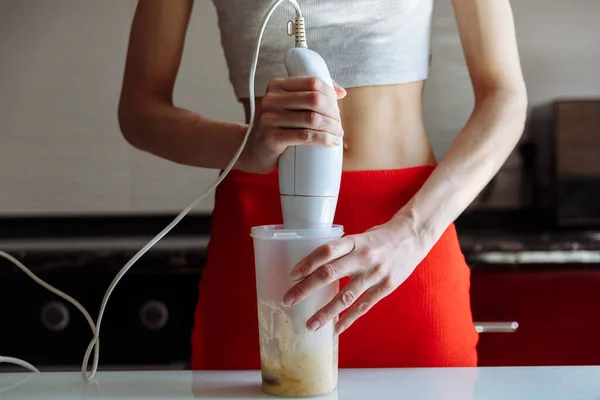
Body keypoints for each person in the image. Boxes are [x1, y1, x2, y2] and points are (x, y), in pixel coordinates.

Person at [118, 0, 527, 369]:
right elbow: (140, 111)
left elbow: (504, 95)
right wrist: (246, 146)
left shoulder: (409, 235)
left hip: (406, 238)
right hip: (265, 247)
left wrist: (413, 232)